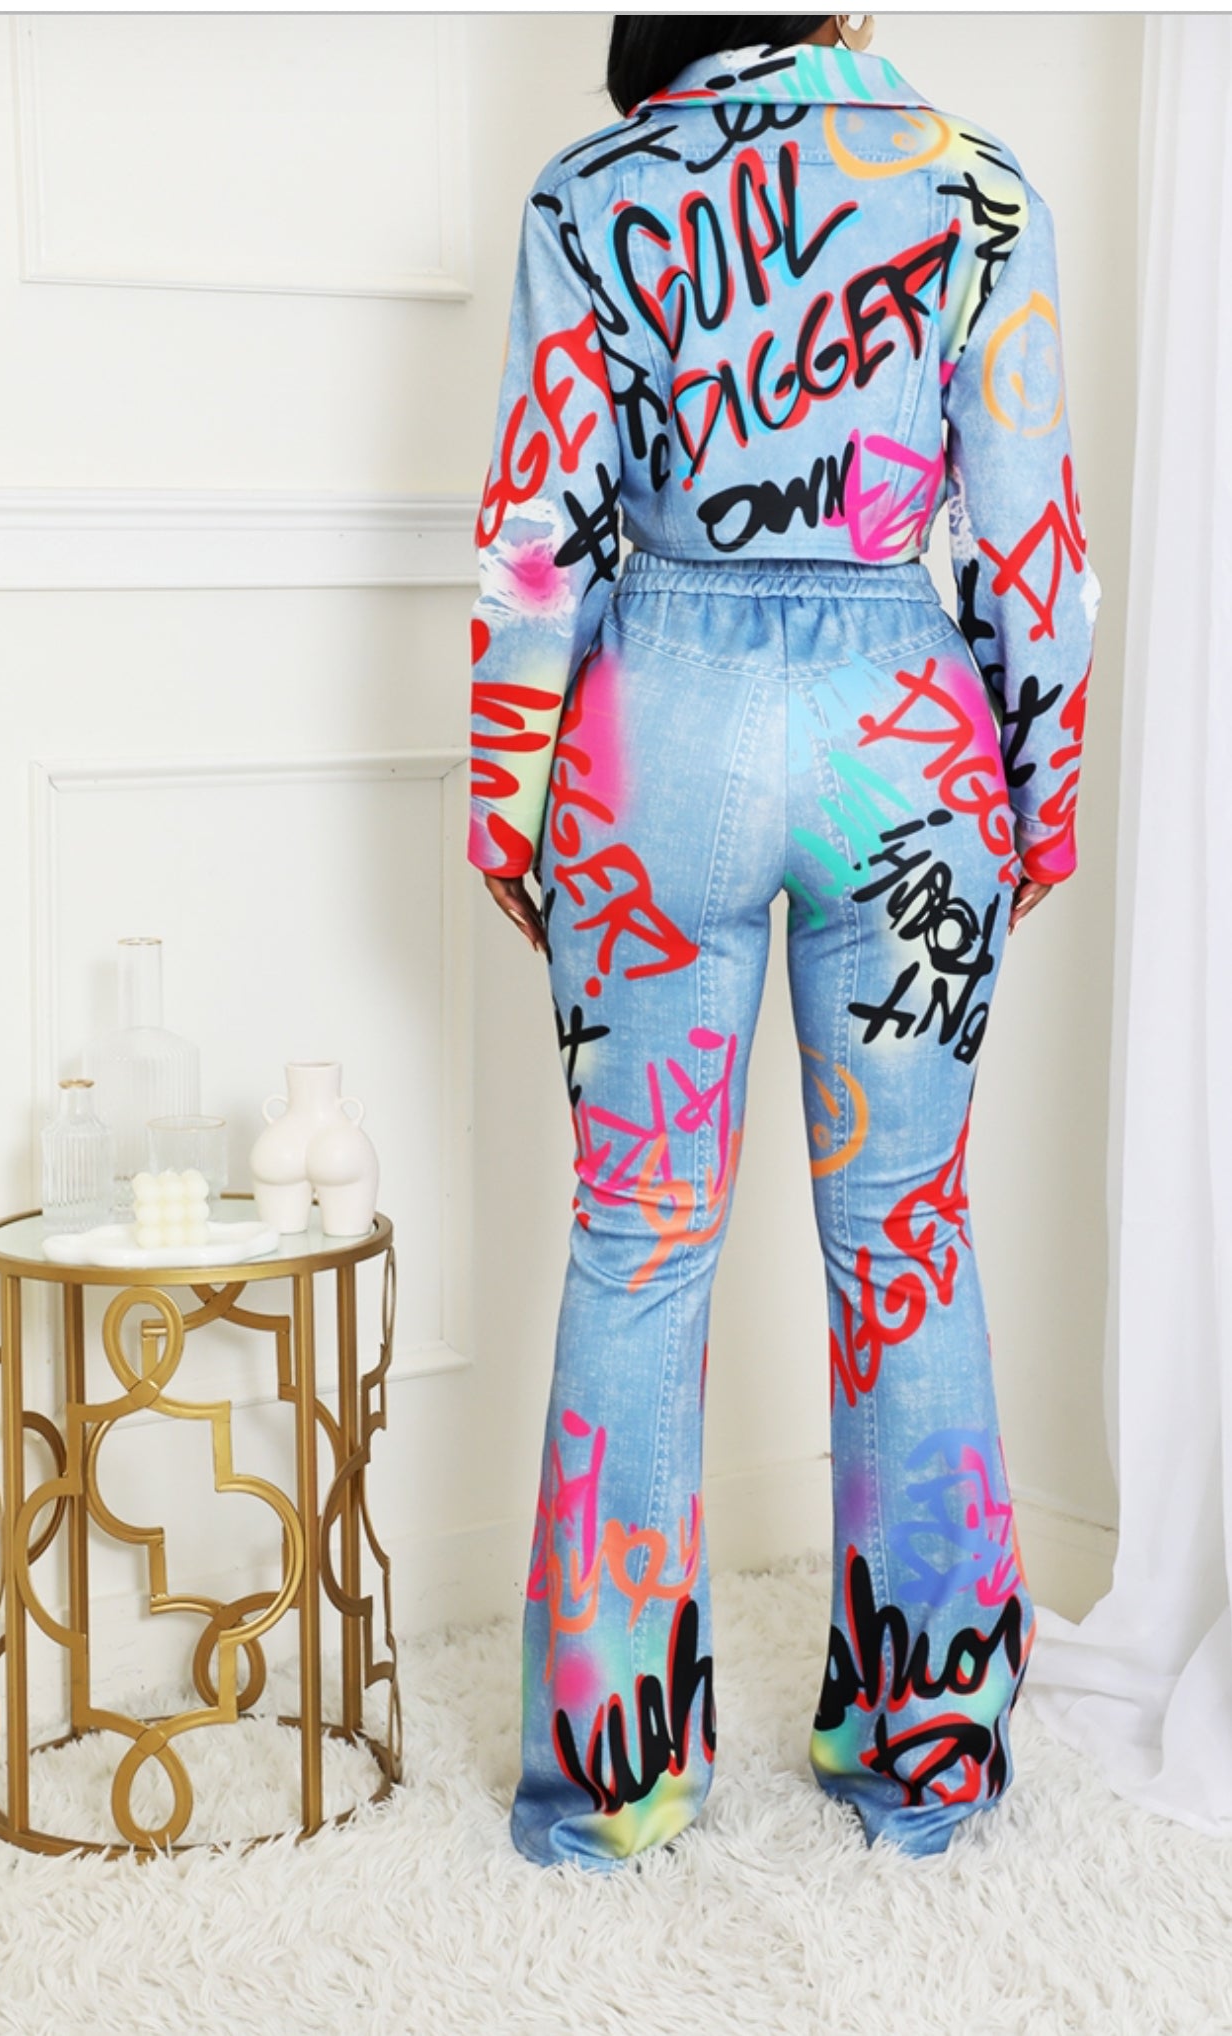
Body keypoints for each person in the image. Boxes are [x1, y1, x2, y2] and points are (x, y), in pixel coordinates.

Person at [467, 12, 1099, 1869]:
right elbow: (1029, 540)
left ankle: (609, 1789)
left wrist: (511, 792)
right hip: (901, 734)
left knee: (635, 1240)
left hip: (650, 726)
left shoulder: (589, 192)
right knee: (904, 1234)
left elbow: (534, 534)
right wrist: (1040, 793)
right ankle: (927, 1757)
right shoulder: (976, 190)